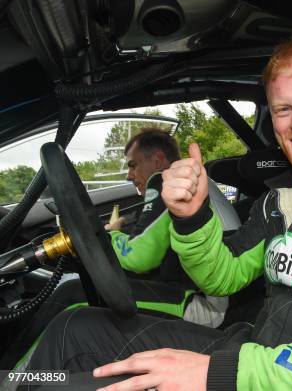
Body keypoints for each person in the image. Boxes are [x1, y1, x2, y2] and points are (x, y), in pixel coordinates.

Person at [26, 35, 292, 390]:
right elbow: (222, 277)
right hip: (250, 350)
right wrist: (191, 216)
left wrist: (219, 374)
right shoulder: (280, 198)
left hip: (281, 378)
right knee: (72, 329)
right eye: (283, 109)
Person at [0, 129, 227, 370]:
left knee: (72, 295)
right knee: (76, 289)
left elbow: (140, 257)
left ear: (158, 160)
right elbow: (148, 241)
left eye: (133, 164)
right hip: (187, 289)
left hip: (198, 304)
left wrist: (110, 234)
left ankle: (10, 378)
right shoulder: (178, 185)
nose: (129, 175)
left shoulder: (165, 182)